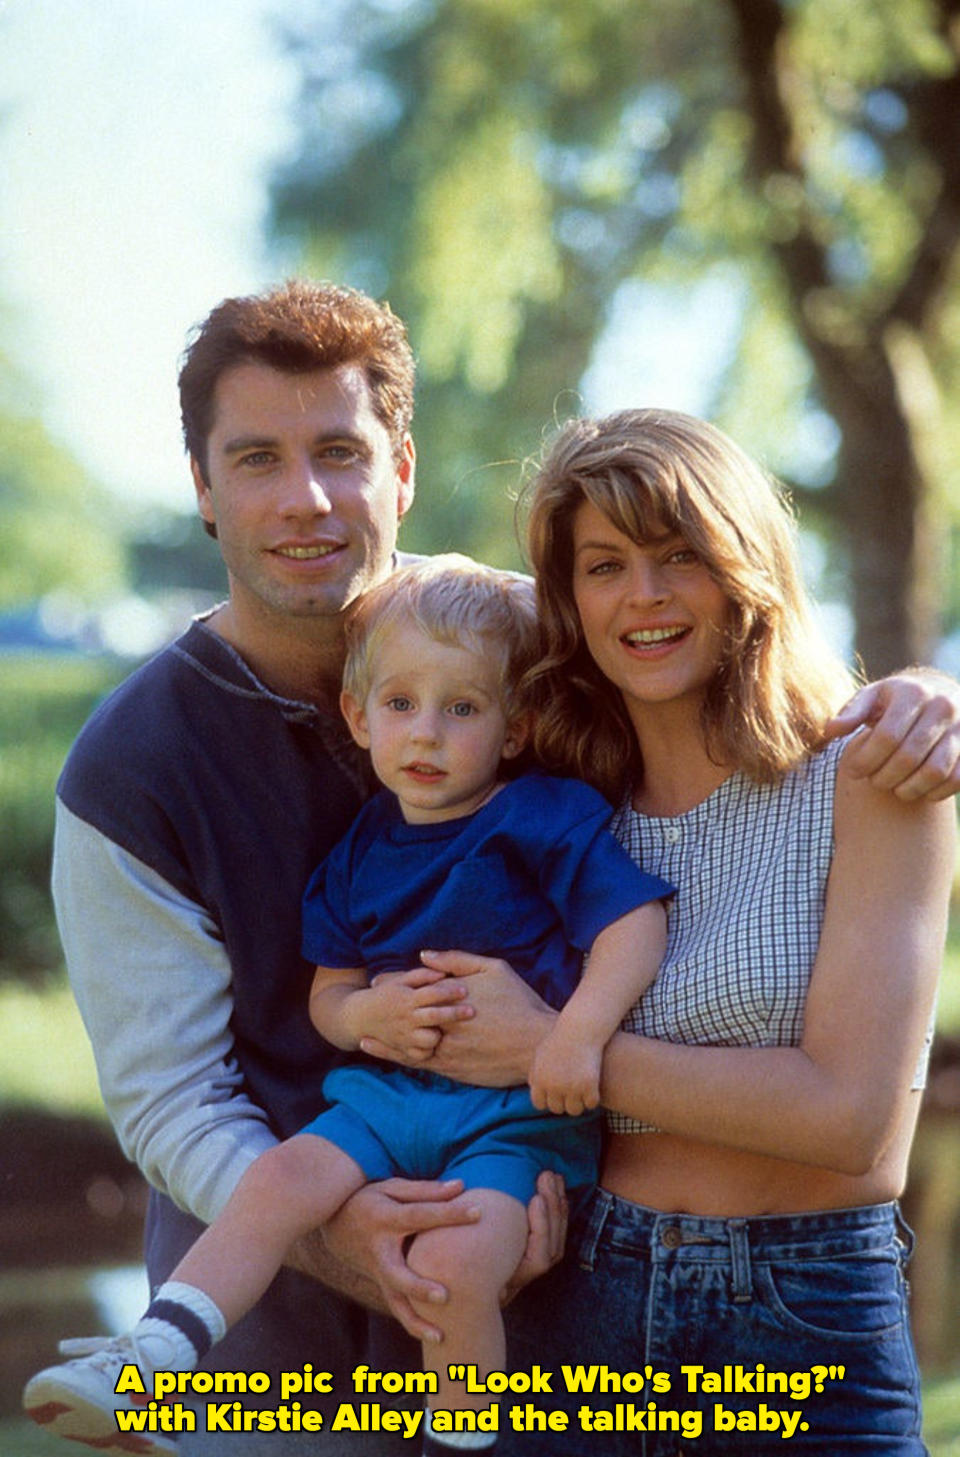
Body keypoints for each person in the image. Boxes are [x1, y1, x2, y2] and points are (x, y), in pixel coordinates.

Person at [26, 279, 960, 1456]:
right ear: (204, 490)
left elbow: (722, 659)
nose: (306, 496)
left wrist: (927, 692)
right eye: (256, 457)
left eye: (340, 452)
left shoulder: (526, 652)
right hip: (282, 1350)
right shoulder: (133, 766)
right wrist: (350, 1224)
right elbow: (171, 1097)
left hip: (554, 1282)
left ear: (401, 470)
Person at [388, 410, 954, 1455]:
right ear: (570, 599)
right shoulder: (551, 801)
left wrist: (555, 1049)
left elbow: (850, 1117)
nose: (642, 597)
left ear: (745, 564)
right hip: (574, 1300)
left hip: (805, 1322)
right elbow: (399, 617)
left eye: (678, 555)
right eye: (604, 565)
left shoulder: (871, 776)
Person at [25, 556, 672, 1456]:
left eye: (463, 708)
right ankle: (153, 1355)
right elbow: (328, 993)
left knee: (455, 1269)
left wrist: (577, 1035)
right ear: (359, 717)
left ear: (515, 726)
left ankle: (469, 1432)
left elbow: (633, 922)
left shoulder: (541, 815)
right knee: (278, 1181)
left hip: (511, 1121)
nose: (428, 734)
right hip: (387, 1099)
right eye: (401, 704)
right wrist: (365, 1018)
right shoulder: (365, 842)